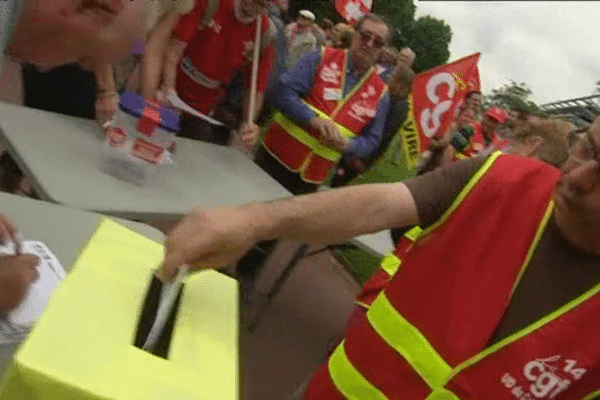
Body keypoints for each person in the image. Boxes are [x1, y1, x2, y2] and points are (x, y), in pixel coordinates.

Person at [158, 112, 600, 398]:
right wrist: (254, 221)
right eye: (589, 148)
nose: (577, 178)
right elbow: (379, 204)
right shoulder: (502, 177)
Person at [255, 13, 391, 195]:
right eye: (365, 36)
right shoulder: (321, 56)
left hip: (312, 179)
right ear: (354, 34)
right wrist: (313, 120)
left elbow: (372, 140)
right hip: (274, 159)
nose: (369, 44)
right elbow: (282, 91)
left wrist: (349, 146)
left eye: (378, 42)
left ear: (382, 49)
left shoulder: (381, 93)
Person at [141, 0, 274, 146]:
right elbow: (173, 49)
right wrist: (169, 90)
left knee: (184, 156)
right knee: (144, 143)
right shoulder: (212, 3)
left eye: (262, 5)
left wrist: (249, 123)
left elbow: (256, 87)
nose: (252, 8)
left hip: (201, 111)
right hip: (166, 94)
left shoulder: (264, 33)